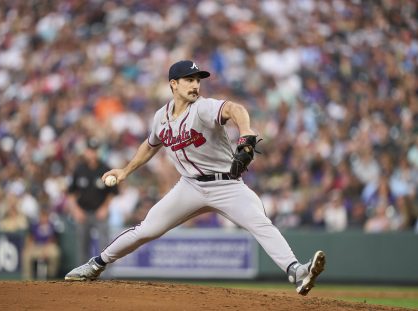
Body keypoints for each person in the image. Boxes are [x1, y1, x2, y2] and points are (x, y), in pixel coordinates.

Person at [65, 60, 326, 295]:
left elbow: (234, 109)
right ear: (173, 84)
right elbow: (150, 145)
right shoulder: (161, 117)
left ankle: (296, 271)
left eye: (198, 80)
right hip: (189, 187)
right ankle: (96, 264)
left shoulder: (202, 109)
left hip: (227, 185)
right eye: (189, 80)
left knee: (260, 223)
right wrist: (125, 170)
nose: (195, 85)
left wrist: (245, 130)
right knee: (146, 230)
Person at [67, 138, 119, 264]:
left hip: (100, 213)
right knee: (82, 245)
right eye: (90, 150)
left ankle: (106, 277)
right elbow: (71, 193)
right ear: (86, 152)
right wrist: (76, 210)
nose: (92, 153)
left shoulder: (105, 168)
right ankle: (82, 274)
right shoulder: (79, 170)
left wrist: (105, 208)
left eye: (95, 150)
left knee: (105, 246)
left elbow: (112, 192)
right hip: (83, 212)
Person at [22, 209, 60, 280]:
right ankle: (27, 278)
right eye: (42, 216)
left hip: (49, 247)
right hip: (37, 247)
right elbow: (31, 238)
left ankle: (51, 275)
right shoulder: (35, 226)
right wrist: (28, 246)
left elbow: (53, 239)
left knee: (55, 253)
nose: (43, 218)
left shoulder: (51, 225)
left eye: (45, 216)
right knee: (26, 254)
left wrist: (45, 250)